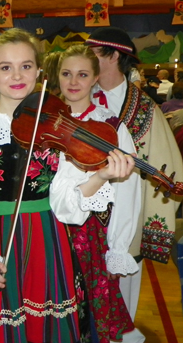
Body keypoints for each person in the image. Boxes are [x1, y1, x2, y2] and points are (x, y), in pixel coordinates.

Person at [0, 27, 132, 343]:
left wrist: (100, 177)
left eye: (26, 66)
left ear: (39, 72)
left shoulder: (57, 128)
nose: (17, 75)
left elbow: (67, 206)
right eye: (5, 67)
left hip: (44, 242)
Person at [86, 26, 183, 343]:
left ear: (114, 56)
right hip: (86, 214)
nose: (87, 60)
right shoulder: (78, 98)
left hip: (129, 217)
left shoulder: (146, 109)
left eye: (94, 53)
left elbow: (168, 168)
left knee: (125, 291)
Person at [50, 45, 140, 343]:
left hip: (90, 234)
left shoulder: (110, 126)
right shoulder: (42, 120)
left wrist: (117, 248)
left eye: (82, 74)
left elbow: (127, 190)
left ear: (95, 78)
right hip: (45, 229)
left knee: (87, 314)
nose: (73, 82)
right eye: (66, 74)